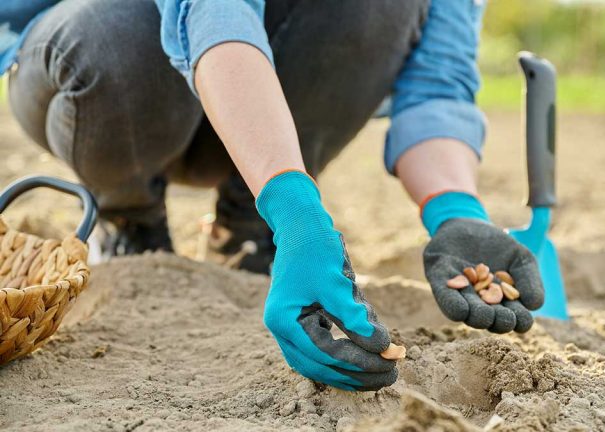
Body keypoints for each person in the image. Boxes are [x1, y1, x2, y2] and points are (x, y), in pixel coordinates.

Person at [0, 0, 544, 391]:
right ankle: (130, 213)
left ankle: (246, 221)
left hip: (251, 109)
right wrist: (296, 212)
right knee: (110, 37)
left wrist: (455, 211)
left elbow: (437, 87)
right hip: (98, 75)